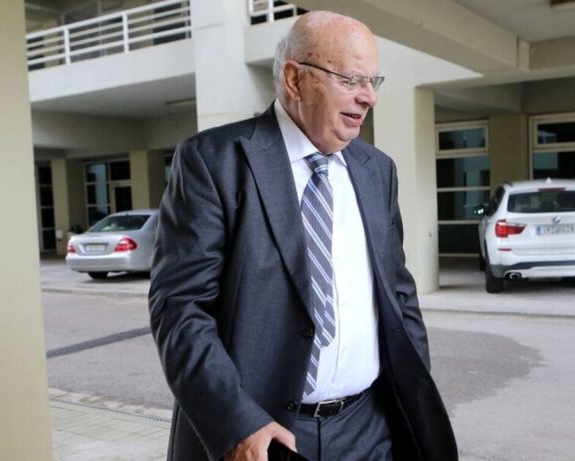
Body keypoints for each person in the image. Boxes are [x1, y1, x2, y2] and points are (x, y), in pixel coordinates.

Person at [149, 10, 458, 461]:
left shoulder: (377, 170)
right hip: (265, 436)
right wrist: (237, 423)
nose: (369, 97)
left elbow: (398, 294)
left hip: (370, 429)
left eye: (373, 81)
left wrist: (411, 391)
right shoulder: (213, 161)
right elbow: (180, 307)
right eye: (351, 80)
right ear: (295, 80)